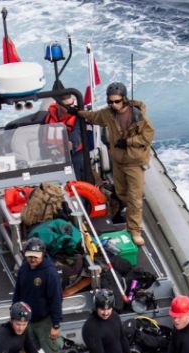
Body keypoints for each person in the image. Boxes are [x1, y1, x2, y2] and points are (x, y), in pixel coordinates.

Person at [68, 82, 154, 246]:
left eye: (116, 101)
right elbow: (94, 117)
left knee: (134, 198)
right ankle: (128, 218)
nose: (113, 105)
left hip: (133, 162)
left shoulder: (137, 116)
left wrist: (129, 141)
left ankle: (135, 230)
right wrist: (78, 113)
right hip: (118, 161)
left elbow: (148, 136)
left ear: (124, 99)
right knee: (122, 193)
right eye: (110, 102)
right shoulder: (109, 114)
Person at [12, 237, 64, 353]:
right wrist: (13, 312)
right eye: (29, 256)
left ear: (42, 255)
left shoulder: (50, 273)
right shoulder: (24, 267)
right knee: (25, 348)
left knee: (52, 351)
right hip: (27, 320)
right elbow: (18, 291)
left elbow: (56, 300)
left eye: (36, 256)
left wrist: (56, 324)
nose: (32, 259)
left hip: (44, 320)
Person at [44, 93, 85, 180]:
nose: (70, 107)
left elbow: (76, 135)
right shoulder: (48, 116)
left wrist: (69, 144)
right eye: (67, 106)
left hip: (74, 154)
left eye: (72, 103)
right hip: (53, 154)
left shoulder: (77, 116)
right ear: (58, 105)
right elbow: (42, 137)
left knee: (78, 163)